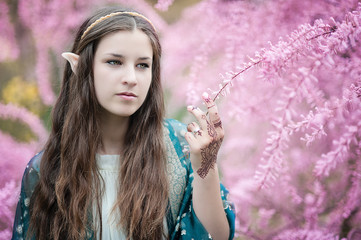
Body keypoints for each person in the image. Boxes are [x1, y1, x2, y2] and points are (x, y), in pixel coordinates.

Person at [12, 6, 235, 240]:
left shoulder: (179, 147)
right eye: (114, 62)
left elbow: (216, 237)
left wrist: (206, 168)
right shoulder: (45, 169)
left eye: (142, 65)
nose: (130, 78)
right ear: (80, 66)